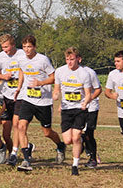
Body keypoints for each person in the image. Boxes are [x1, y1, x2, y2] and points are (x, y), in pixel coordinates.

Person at [13, 36, 65, 171]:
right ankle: (26, 159)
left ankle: (60, 145)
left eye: (29, 47)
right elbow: (21, 71)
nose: (26, 50)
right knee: (21, 126)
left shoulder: (43, 60)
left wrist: (40, 83)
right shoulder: (21, 59)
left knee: (47, 132)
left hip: (44, 101)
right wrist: (19, 88)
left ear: (34, 47)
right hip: (28, 99)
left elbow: (54, 77)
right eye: (24, 47)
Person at [0, 34, 42, 166]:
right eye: (3, 47)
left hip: (21, 95)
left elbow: (25, 70)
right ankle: (27, 146)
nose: (5, 50)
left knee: (17, 124)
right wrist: (3, 76)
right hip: (7, 95)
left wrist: (21, 85)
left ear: (13, 45)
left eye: (7, 47)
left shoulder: (21, 54)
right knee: (10, 129)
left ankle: (14, 153)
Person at [52, 47, 93, 175]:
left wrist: (85, 102)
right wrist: (56, 95)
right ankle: (82, 143)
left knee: (75, 137)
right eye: (67, 59)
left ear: (78, 59)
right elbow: (57, 89)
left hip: (79, 109)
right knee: (67, 140)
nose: (69, 62)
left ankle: (75, 165)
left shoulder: (84, 74)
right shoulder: (60, 71)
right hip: (66, 109)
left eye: (72, 59)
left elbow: (88, 93)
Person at [81, 62, 101, 168]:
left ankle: (93, 158)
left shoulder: (89, 72)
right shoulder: (68, 71)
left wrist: (89, 99)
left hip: (91, 107)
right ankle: (85, 148)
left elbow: (98, 89)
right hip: (76, 107)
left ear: (79, 59)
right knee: (76, 133)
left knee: (89, 133)